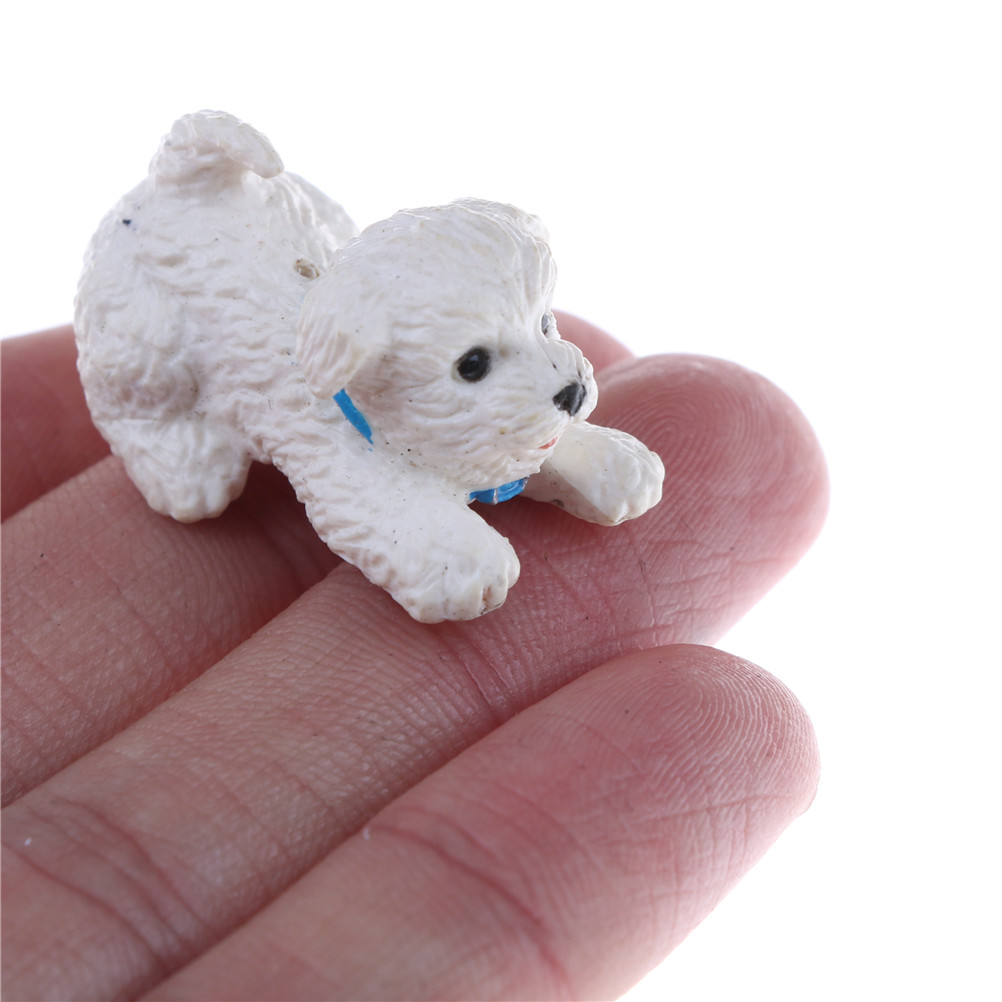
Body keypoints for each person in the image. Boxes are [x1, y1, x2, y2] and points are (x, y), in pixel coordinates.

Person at [1, 316, 827, 1000]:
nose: (561, 370)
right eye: (475, 362)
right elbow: (384, 508)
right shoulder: (338, 413)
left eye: (540, 322)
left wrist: (562, 452)